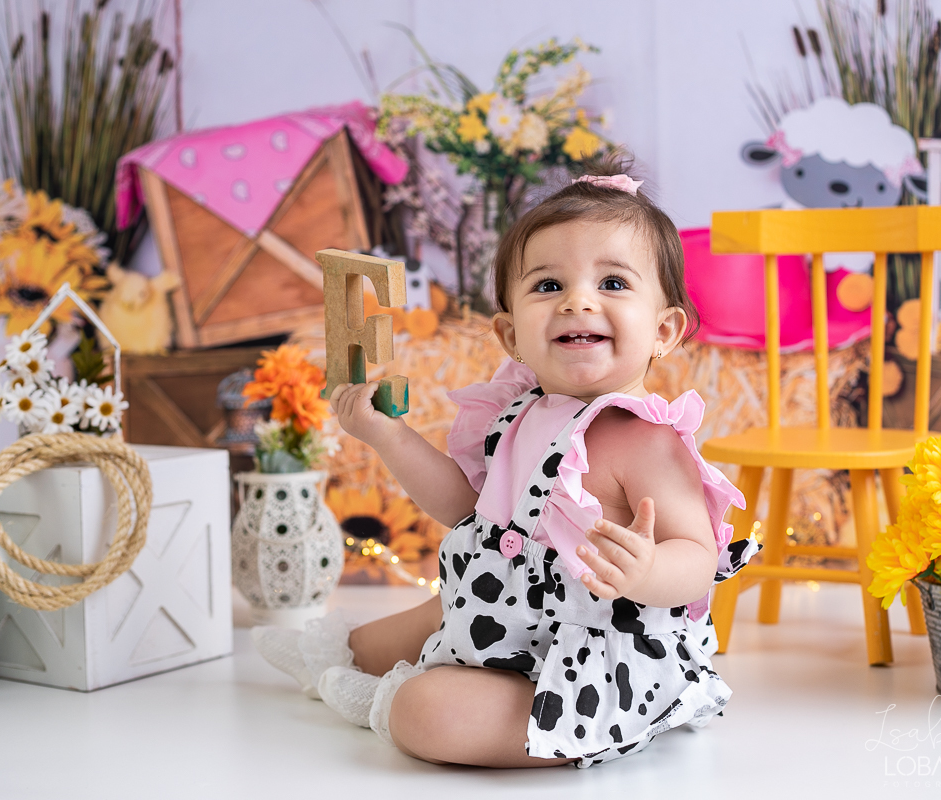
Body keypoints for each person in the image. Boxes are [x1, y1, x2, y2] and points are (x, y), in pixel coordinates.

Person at [254, 159, 757, 768]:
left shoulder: (647, 441)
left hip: (590, 656)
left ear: (665, 330)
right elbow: (462, 508)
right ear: (511, 333)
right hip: (501, 613)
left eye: (613, 284)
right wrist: (388, 436)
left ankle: (391, 703)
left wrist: (647, 571)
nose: (577, 302)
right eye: (549, 286)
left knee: (430, 710)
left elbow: (699, 560)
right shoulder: (519, 412)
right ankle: (331, 656)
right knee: (405, 626)